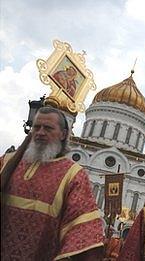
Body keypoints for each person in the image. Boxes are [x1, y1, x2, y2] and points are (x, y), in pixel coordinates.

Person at [0, 106, 104, 260]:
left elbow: (82, 229)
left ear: (63, 134)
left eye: (48, 128)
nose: (40, 132)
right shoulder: (7, 162)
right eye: (36, 127)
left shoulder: (73, 174)